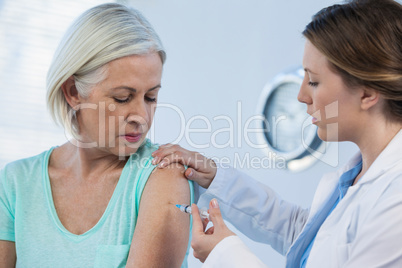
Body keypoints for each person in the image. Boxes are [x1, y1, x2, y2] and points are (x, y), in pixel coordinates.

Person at [152, 0, 402, 267]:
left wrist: (225, 255)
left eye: (314, 81)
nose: (301, 96)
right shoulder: (355, 176)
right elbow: (307, 237)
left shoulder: (395, 201)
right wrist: (215, 178)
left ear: (367, 93)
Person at [0, 3, 194, 268]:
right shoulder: (15, 184)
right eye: (122, 98)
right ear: (73, 92)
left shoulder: (162, 176)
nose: (142, 116)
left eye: (151, 97)